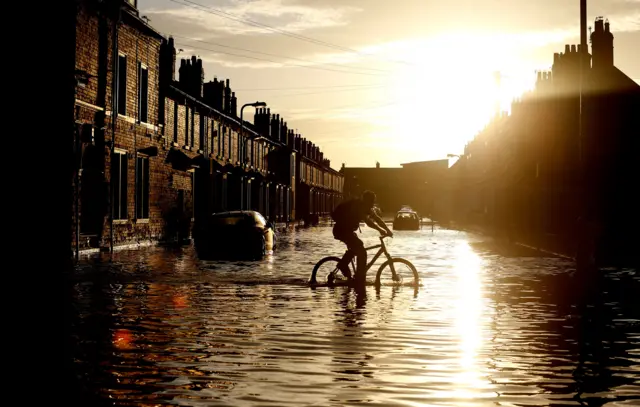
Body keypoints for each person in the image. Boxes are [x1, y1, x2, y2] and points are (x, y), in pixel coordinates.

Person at [331, 191, 393, 284]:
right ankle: (359, 277)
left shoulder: (367, 207)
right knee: (361, 250)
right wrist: (380, 230)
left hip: (346, 230)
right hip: (341, 230)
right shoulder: (359, 206)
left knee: (357, 246)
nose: (373, 202)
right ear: (368, 200)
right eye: (372, 200)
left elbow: (377, 219)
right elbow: (368, 222)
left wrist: (388, 230)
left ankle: (345, 266)